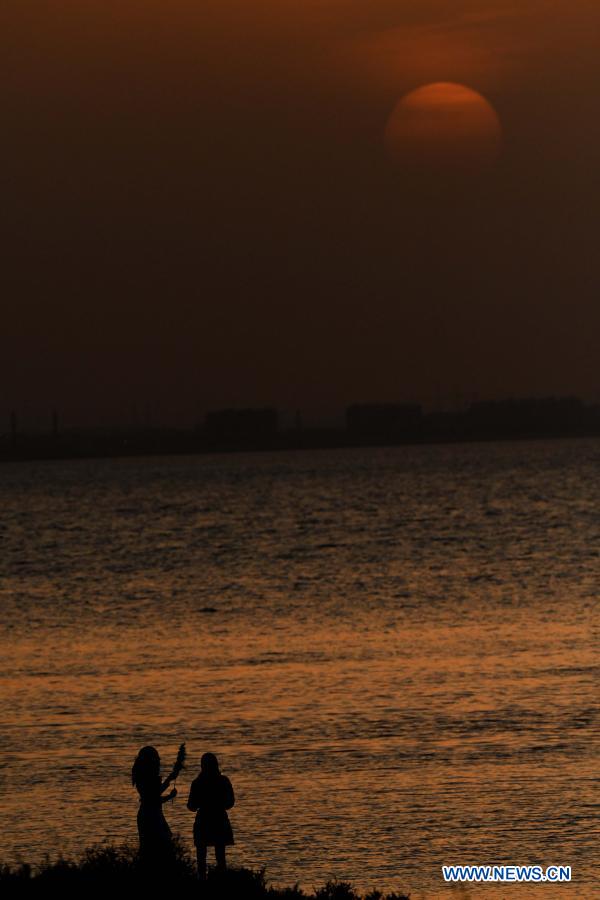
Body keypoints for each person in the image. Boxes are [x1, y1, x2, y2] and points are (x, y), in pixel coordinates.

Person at [187, 752, 235, 879]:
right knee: (221, 858)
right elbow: (230, 803)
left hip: (203, 821)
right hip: (219, 820)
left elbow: (191, 806)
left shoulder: (197, 783)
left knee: (201, 859)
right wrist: (219, 804)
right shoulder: (224, 781)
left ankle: (202, 882)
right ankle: (221, 881)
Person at [131, 746, 177, 866]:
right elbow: (153, 798)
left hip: (153, 814)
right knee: (156, 847)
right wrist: (169, 787)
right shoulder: (145, 778)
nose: (159, 762)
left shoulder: (143, 776)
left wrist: (169, 782)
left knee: (152, 848)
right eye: (156, 759)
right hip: (150, 816)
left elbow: (154, 796)